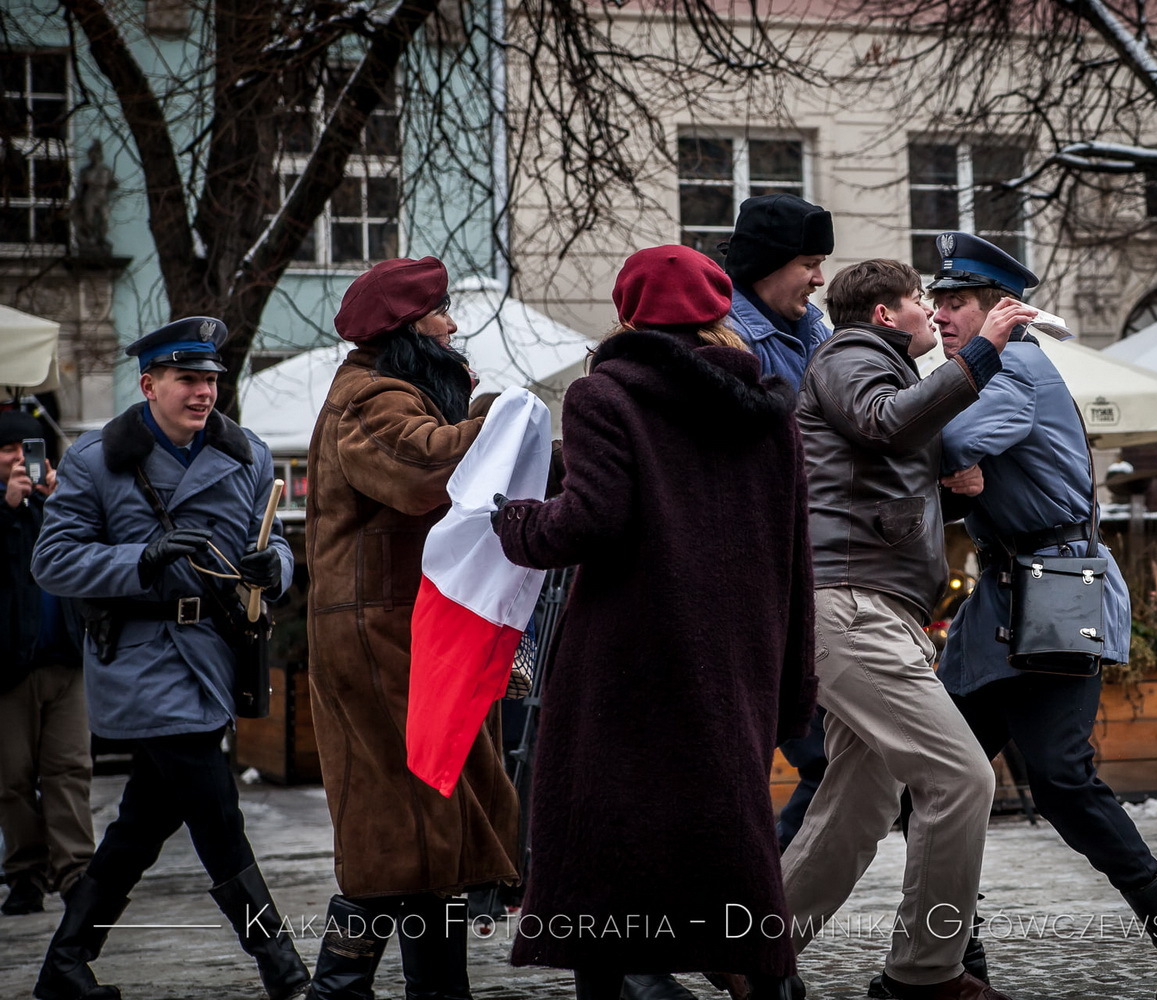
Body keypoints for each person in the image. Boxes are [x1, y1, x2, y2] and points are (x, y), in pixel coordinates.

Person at [492, 245, 817, 1000]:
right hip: (740, 657)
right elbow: (797, 554)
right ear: (716, 315)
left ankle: (638, 981)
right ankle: (764, 978)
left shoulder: (606, 396)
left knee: (608, 846)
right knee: (727, 832)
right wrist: (794, 680)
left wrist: (514, 521)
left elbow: (588, 524)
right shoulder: (772, 410)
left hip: (627, 658)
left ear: (629, 314)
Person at [929, 233, 1157, 1000]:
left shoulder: (1018, 364)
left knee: (1060, 779)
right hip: (1001, 598)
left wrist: (940, 449)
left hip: (1057, 587)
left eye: (954, 301)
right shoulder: (974, 372)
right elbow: (946, 451)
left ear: (1001, 309)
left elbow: (955, 440)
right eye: (935, 301)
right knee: (938, 782)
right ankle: (954, 964)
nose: (938, 315)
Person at [29, 317, 307, 1000]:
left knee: (143, 824)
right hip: (141, 657)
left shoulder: (246, 455)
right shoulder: (98, 459)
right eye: (188, 379)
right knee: (216, 811)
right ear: (149, 384)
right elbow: (53, 560)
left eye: (211, 379)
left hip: (215, 656)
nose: (204, 392)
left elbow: (278, 548)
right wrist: (137, 560)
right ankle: (284, 968)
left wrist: (272, 565)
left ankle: (66, 962)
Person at [779, 256, 1024, 1000]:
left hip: (864, 602)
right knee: (960, 777)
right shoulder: (853, 354)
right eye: (921, 299)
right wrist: (985, 353)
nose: (930, 311)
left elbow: (865, 484)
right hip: (852, 606)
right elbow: (885, 427)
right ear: (886, 313)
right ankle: (926, 973)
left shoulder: (872, 366)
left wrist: (947, 496)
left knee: (863, 799)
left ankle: (756, 947)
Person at [303, 256, 520, 1000]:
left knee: (428, 832)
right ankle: (336, 988)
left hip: (405, 635)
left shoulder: (386, 392)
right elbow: (425, 468)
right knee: (395, 832)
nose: (454, 328)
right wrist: (501, 419)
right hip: (375, 641)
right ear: (408, 329)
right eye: (441, 315)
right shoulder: (369, 400)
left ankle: (433, 992)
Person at [1, 410, 91, 917]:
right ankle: (24, 875)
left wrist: (57, 504)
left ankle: (76, 873)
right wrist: (9, 508)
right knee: (11, 778)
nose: (19, 459)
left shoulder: (59, 505)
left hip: (66, 658)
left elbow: (84, 552)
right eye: (8, 450)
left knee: (70, 769)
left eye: (28, 450)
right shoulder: (6, 509)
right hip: (9, 668)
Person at [722, 193, 834, 386]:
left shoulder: (817, 332)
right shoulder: (728, 340)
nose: (820, 280)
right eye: (809, 265)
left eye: (820, 264)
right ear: (765, 266)